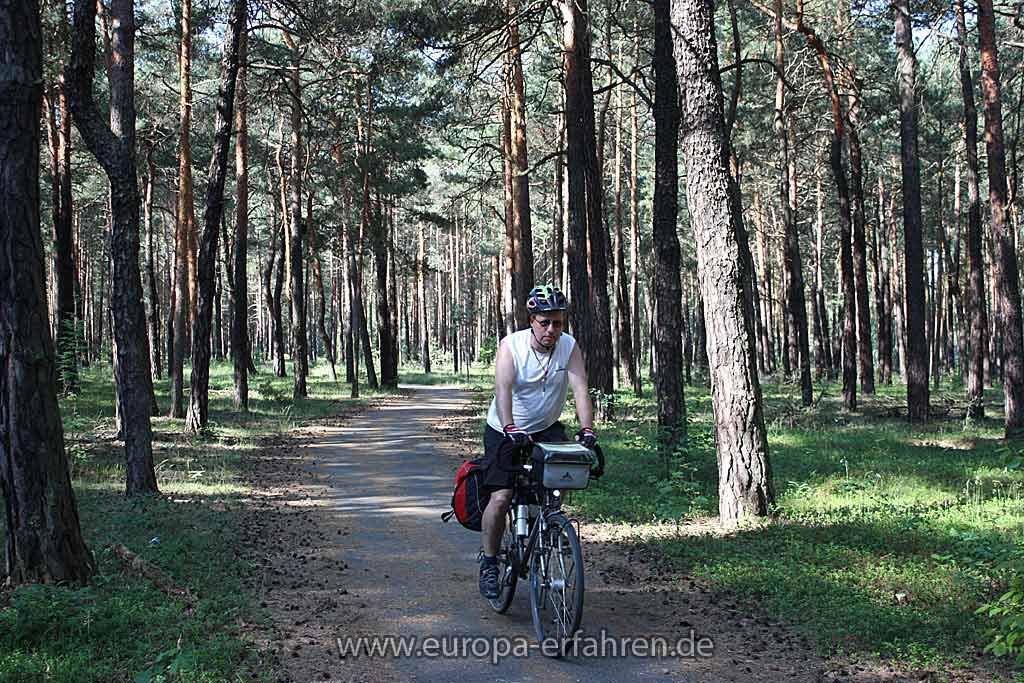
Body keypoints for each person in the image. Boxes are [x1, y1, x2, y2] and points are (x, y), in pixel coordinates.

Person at [478, 284, 598, 599]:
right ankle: (489, 562)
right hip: (505, 428)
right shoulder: (511, 347)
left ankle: (543, 536)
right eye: (544, 322)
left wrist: (587, 429)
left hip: (546, 428)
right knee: (502, 497)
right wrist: (509, 426)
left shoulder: (568, 346)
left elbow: (581, 389)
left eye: (557, 322)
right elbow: (503, 390)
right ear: (532, 319)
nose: (551, 329)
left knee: (553, 491)